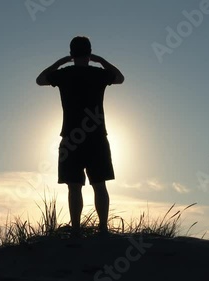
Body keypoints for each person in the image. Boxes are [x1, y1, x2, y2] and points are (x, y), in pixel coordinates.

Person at [36, 36, 124, 236]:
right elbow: (119, 77)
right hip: (96, 137)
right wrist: (101, 61)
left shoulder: (65, 74)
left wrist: (60, 63)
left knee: (74, 186)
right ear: (89, 53)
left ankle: (76, 230)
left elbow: (40, 79)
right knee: (99, 185)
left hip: (71, 137)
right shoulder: (98, 74)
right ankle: (102, 229)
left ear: (71, 54)